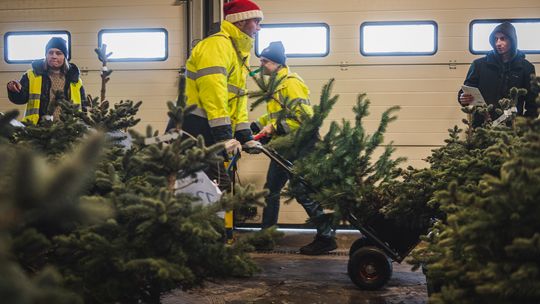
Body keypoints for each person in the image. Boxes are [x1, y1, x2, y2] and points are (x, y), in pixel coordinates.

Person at [165, 0, 262, 191]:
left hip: (209, 128)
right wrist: (224, 135)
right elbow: (213, 91)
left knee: (211, 186)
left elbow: (239, 97)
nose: (259, 28)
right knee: (209, 186)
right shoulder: (217, 45)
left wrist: (244, 134)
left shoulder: (238, 52)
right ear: (240, 22)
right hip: (194, 127)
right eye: (256, 22)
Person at [252, 41, 337, 255]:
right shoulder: (275, 85)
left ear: (277, 63)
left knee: (302, 191)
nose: (261, 65)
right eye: (260, 60)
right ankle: (266, 237)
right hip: (284, 146)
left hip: (303, 145)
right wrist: (257, 126)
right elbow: (275, 115)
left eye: (265, 61)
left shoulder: (291, 83)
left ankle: (326, 237)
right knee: (271, 189)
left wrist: (276, 126)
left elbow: (307, 119)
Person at [458, 21, 537, 127]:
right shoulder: (479, 65)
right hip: (483, 126)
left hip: (511, 130)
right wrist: (462, 97)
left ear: (512, 40)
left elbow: (533, 104)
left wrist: (523, 126)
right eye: (495, 39)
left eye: (503, 38)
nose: (498, 43)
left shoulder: (526, 68)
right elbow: (466, 91)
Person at [7, 37, 86, 125]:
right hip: (38, 129)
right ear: (46, 55)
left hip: (67, 130)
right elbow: (20, 99)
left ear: (65, 57)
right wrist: (14, 91)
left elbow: (83, 106)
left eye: (58, 53)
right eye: (50, 52)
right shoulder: (32, 75)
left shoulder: (75, 80)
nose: (54, 56)